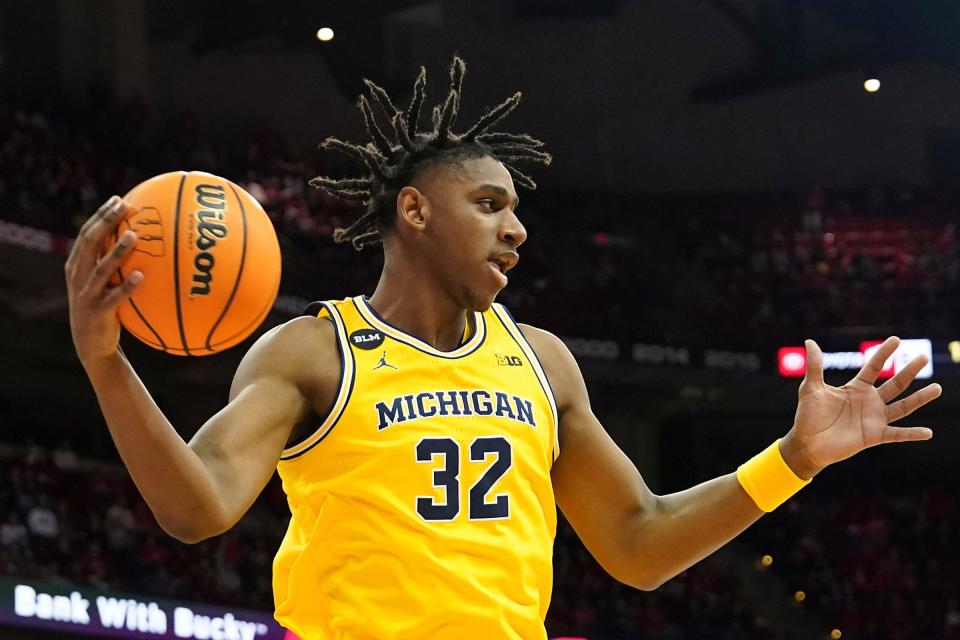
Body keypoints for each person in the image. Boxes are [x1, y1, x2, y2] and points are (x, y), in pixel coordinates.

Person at [65, 57, 942, 640]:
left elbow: (638, 543)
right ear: (413, 211)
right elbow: (198, 509)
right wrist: (107, 362)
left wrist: (790, 460)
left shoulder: (543, 361)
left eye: (518, 210)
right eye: (489, 204)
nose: (516, 229)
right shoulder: (313, 353)